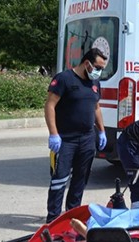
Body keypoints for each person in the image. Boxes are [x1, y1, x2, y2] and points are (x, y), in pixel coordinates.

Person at [44, 48, 108, 223]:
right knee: (60, 180)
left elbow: (96, 108)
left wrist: (101, 131)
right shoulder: (64, 79)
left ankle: (71, 217)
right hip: (66, 139)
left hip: (87, 138)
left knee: (80, 179)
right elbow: (50, 105)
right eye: (97, 67)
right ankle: (53, 220)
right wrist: (54, 134)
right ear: (87, 63)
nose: (99, 71)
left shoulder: (94, 82)